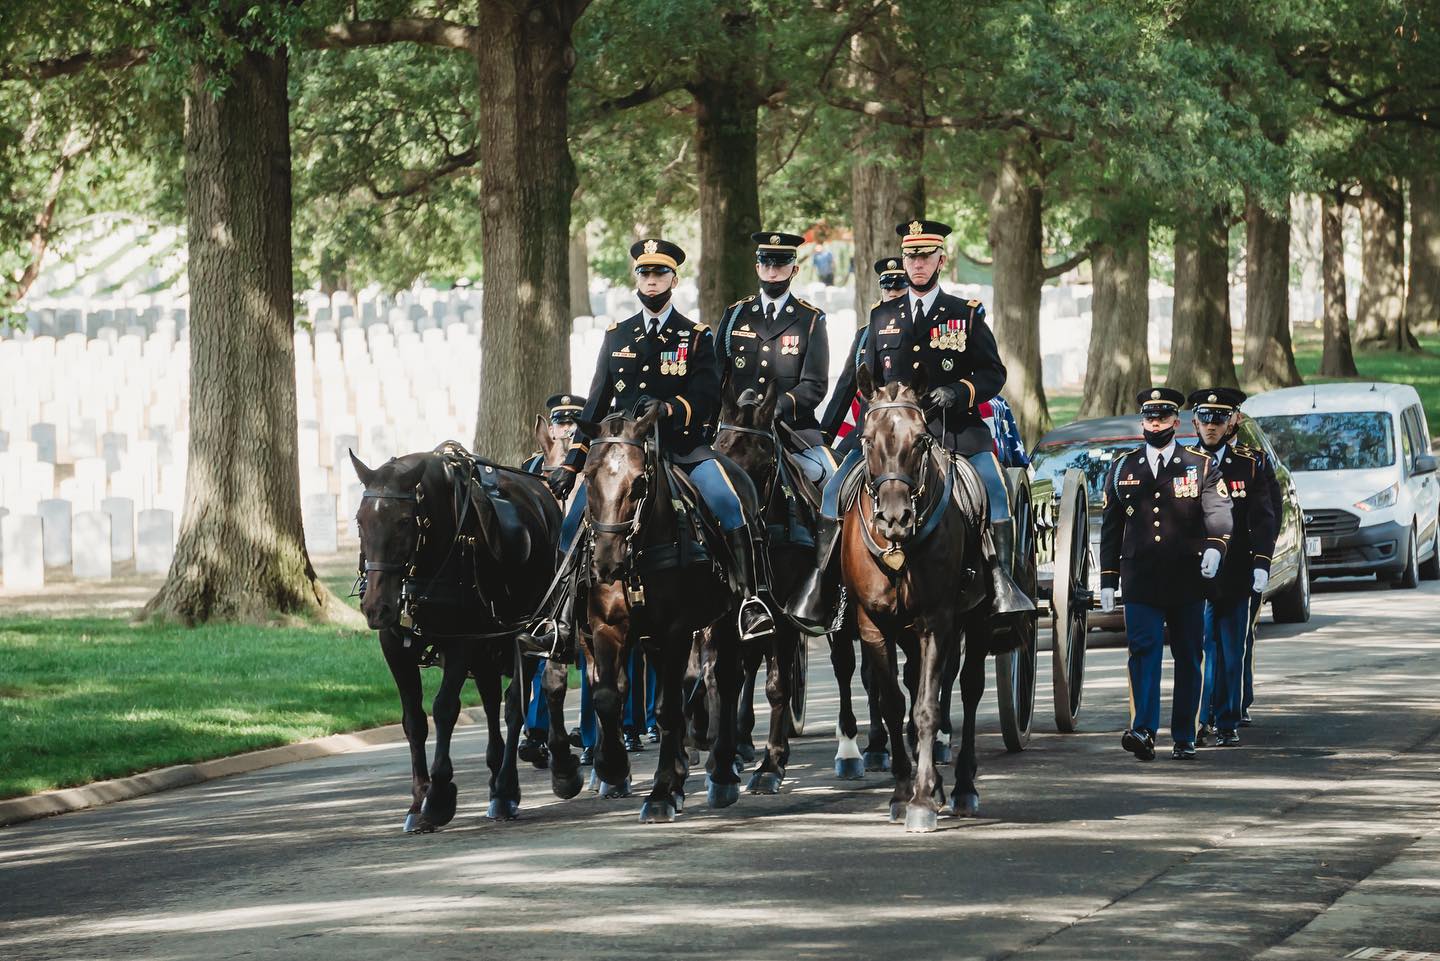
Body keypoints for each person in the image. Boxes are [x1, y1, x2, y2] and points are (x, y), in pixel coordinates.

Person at [791, 220, 1019, 628]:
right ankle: (823, 585)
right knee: (833, 493)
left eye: (925, 256)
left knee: (996, 492)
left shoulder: (963, 315)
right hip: (892, 442)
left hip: (957, 432)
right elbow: (870, 379)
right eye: (911, 256)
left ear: (940, 261)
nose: (917, 264)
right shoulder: (883, 317)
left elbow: (993, 373)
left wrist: (959, 391)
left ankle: (1001, 584)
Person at [547, 238, 776, 642]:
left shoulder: (695, 335)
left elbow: (706, 397)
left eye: (659, 273)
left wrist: (670, 409)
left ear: (674, 278)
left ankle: (749, 602)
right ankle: (558, 619)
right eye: (645, 273)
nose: (651, 281)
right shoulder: (618, 336)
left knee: (729, 503)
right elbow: (596, 408)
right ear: (637, 278)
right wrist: (572, 464)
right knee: (570, 527)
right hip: (622, 453)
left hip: (681, 448)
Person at [1100, 387, 1233, 761]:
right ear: (1142, 421)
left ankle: (1184, 734)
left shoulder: (1200, 465)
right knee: (1143, 653)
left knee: (1188, 656)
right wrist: (1108, 579)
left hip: (1186, 579)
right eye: (1148, 417)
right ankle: (1143, 729)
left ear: (1177, 421)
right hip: (1141, 577)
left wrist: (1216, 545)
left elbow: (1219, 511)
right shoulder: (1123, 467)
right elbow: (1111, 528)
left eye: (1162, 417)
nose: (1154, 423)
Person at [1189, 388, 1279, 746]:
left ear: (1233, 421)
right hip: (1197, 572)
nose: (1212, 426)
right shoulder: (1185, 462)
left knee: (1231, 647)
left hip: (1237, 569)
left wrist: (1262, 561)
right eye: (1205, 418)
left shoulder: (1250, 463)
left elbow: (1265, 515)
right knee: (1203, 644)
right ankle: (1204, 715)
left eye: (1220, 419)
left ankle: (1227, 719)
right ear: (1195, 421)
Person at [718, 230, 834, 484]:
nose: (772, 272)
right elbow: (718, 375)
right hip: (737, 429)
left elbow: (815, 384)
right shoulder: (736, 315)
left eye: (780, 264)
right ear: (757, 267)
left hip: (792, 430)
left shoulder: (811, 319)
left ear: (794, 269)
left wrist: (779, 406)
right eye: (767, 264)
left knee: (827, 477)